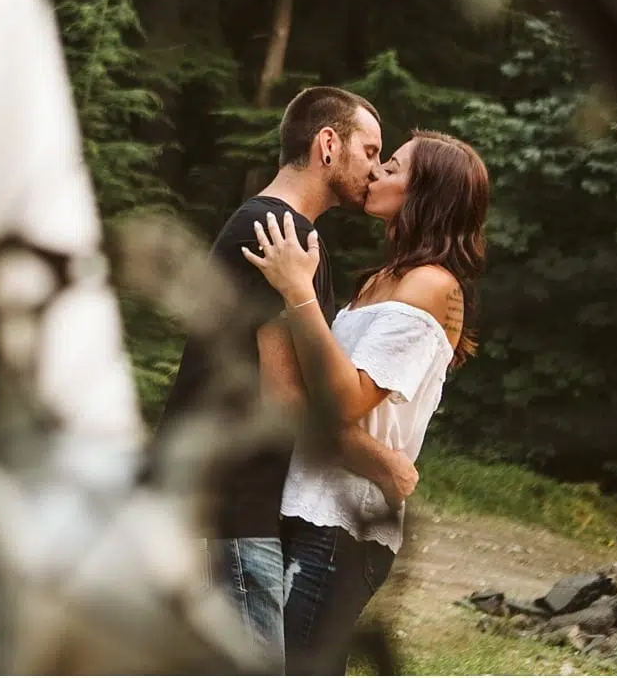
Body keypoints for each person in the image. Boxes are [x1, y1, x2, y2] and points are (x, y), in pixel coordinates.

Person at [153, 86, 419, 657]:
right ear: (328, 144)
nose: (375, 169)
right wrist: (385, 465)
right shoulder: (280, 232)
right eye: (370, 151)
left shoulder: (283, 232)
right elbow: (288, 399)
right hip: (230, 503)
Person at [242, 129, 488, 675]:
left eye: (393, 167)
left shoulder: (432, 284)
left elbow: (346, 399)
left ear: (427, 194)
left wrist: (298, 291)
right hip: (307, 498)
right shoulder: (380, 280)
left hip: (343, 522)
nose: (376, 173)